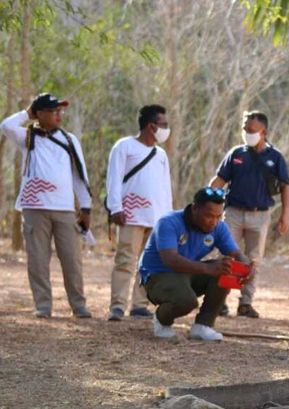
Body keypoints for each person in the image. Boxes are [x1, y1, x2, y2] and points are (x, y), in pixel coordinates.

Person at [0, 93, 92, 319]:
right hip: (34, 208)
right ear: (39, 114)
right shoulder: (27, 137)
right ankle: (43, 305)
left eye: (60, 110)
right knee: (38, 259)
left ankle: (78, 305)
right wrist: (27, 114)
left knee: (71, 259)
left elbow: (79, 175)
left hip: (64, 209)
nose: (58, 114)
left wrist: (86, 208)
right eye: (53, 110)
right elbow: (5, 126)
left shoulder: (70, 140)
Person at [208, 110, 289, 318]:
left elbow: (285, 188)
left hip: (260, 215)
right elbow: (219, 181)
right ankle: (219, 301)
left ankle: (246, 303)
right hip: (233, 213)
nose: (247, 133)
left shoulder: (275, 158)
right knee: (226, 256)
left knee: (254, 260)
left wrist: (286, 215)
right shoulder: (236, 154)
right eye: (244, 129)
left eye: (251, 130)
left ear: (263, 131)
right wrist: (207, 202)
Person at [138, 187, 248, 341]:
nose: (214, 222)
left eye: (218, 216)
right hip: (158, 275)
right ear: (195, 208)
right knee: (187, 301)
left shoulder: (219, 227)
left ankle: (203, 326)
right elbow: (171, 260)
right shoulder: (168, 222)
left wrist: (246, 268)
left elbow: (236, 254)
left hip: (186, 273)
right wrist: (208, 268)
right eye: (209, 216)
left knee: (225, 270)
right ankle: (161, 320)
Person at [105, 105, 173, 321]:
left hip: (156, 218)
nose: (166, 129)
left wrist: (169, 218)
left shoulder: (161, 154)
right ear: (151, 126)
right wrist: (115, 207)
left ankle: (139, 305)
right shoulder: (124, 147)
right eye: (164, 125)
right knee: (125, 260)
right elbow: (113, 179)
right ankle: (117, 306)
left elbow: (165, 188)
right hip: (130, 215)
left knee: (149, 263)